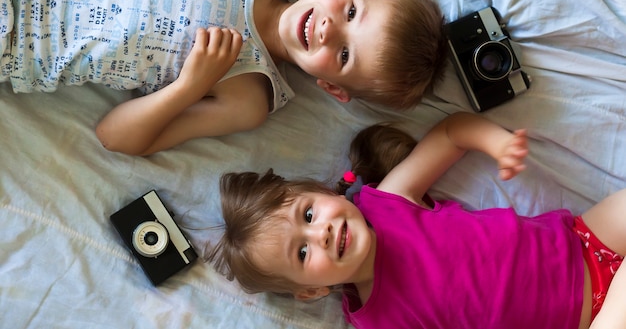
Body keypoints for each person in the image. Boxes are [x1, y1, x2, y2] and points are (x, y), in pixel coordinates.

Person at [0, 0, 448, 155]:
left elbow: (116, 137)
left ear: (331, 87)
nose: (330, 30)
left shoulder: (248, 97)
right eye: (350, 13)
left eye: (346, 55)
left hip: (19, 41)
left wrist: (189, 86)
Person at [207, 111, 626, 329]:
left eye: (309, 214)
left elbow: (450, 133)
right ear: (312, 291)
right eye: (301, 252)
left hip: (584, 241)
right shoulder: (378, 321)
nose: (321, 233)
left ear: (323, 193)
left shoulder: (387, 201)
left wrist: (494, 141)